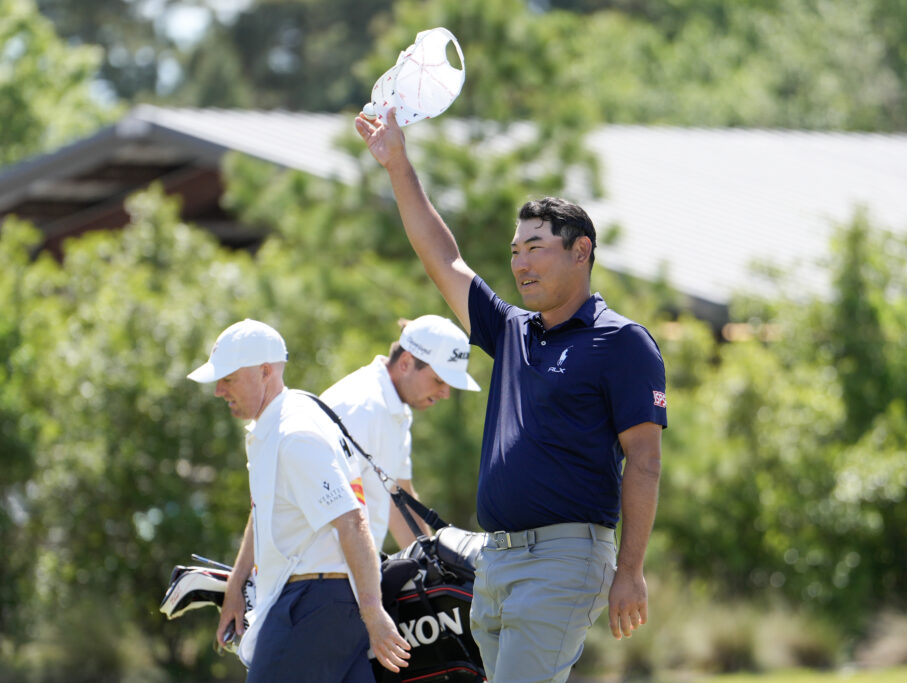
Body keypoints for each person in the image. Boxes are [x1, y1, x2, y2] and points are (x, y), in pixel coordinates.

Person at [355, 109, 668, 682]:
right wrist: (398, 164)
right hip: (497, 561)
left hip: (564, 562)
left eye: (537, 247)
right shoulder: (513, 330)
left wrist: (632, 569)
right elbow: (442, 257)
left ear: (582, 251)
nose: (520, 262)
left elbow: (645, 463)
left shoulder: (622, 342)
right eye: (515, 250)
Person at [187, 318, 410, 681]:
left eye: (228, 378)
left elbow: (351, 521)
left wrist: (374, 612)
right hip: (327, 603)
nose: (218, 390)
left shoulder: (295, 434)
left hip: (311, 602)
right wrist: (236, 584)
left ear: (264, 372)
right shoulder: (280, 424)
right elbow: (263, 509)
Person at [320, 314, 480, 550]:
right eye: (439, 380)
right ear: (405, 363)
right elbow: (326, 503)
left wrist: (431, 564)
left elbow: (399, 500)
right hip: (323, 573)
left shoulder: (394, 409)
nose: (446, 393)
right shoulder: (362, 407)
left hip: (348, 573)